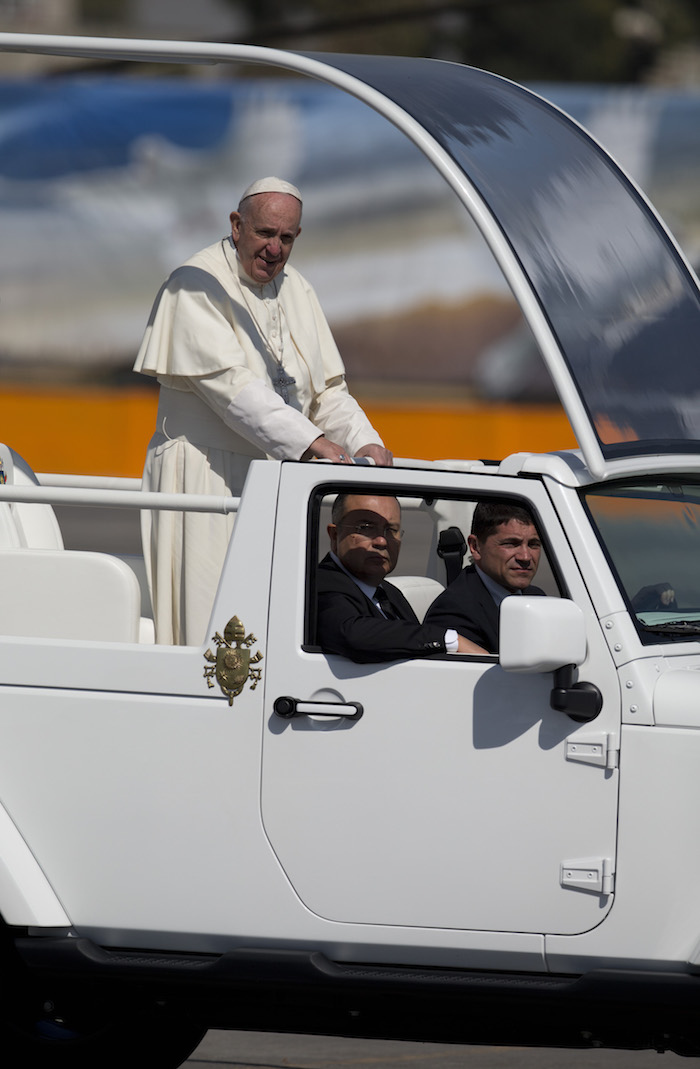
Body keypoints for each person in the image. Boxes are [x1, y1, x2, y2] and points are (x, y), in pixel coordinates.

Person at [134, 176, 391, 645]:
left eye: (287, 238)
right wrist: (311, 443)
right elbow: (233, 388)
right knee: (211, 624)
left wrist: (363, 440)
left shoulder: (298, 290)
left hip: (274, 477)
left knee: (271, 621)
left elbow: (327, 389)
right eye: (265, 234)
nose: (275, 249)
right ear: (237, 226)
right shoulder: (194, 284)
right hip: (204, 475)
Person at [317, 493, 483, 662]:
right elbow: (352, 634)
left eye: (391, 530)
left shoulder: (388, 593)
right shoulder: (320, 585)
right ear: (334, 535)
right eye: (366, 527)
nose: (381, 541)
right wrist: (449, 639)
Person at [425, 501, 545, 653]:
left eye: (533, 544)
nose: (526, 556)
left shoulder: (536, 598)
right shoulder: (453, 612)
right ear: (475, 546)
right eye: (511, 544)